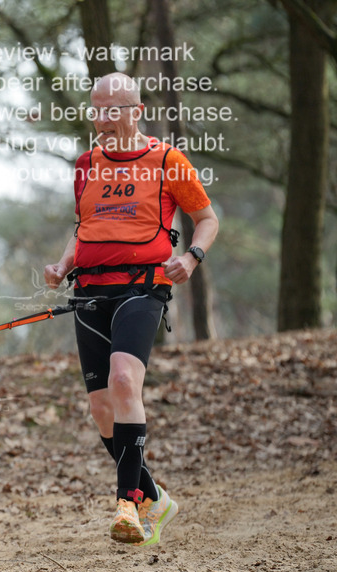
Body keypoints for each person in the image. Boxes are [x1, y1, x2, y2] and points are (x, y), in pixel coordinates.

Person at [44, 72, 219, 545]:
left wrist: (190, 257)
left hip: (143, 288)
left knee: (125, 381)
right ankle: (155, 496)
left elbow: (206, 219)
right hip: (88, 293)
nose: (100, 119)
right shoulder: (85, 164)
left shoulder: (166, 161)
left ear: (135, 110)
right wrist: (62, 263)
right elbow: (83, 227)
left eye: (111, 109)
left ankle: (128, 507)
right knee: (102, 410)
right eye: (95, 109)